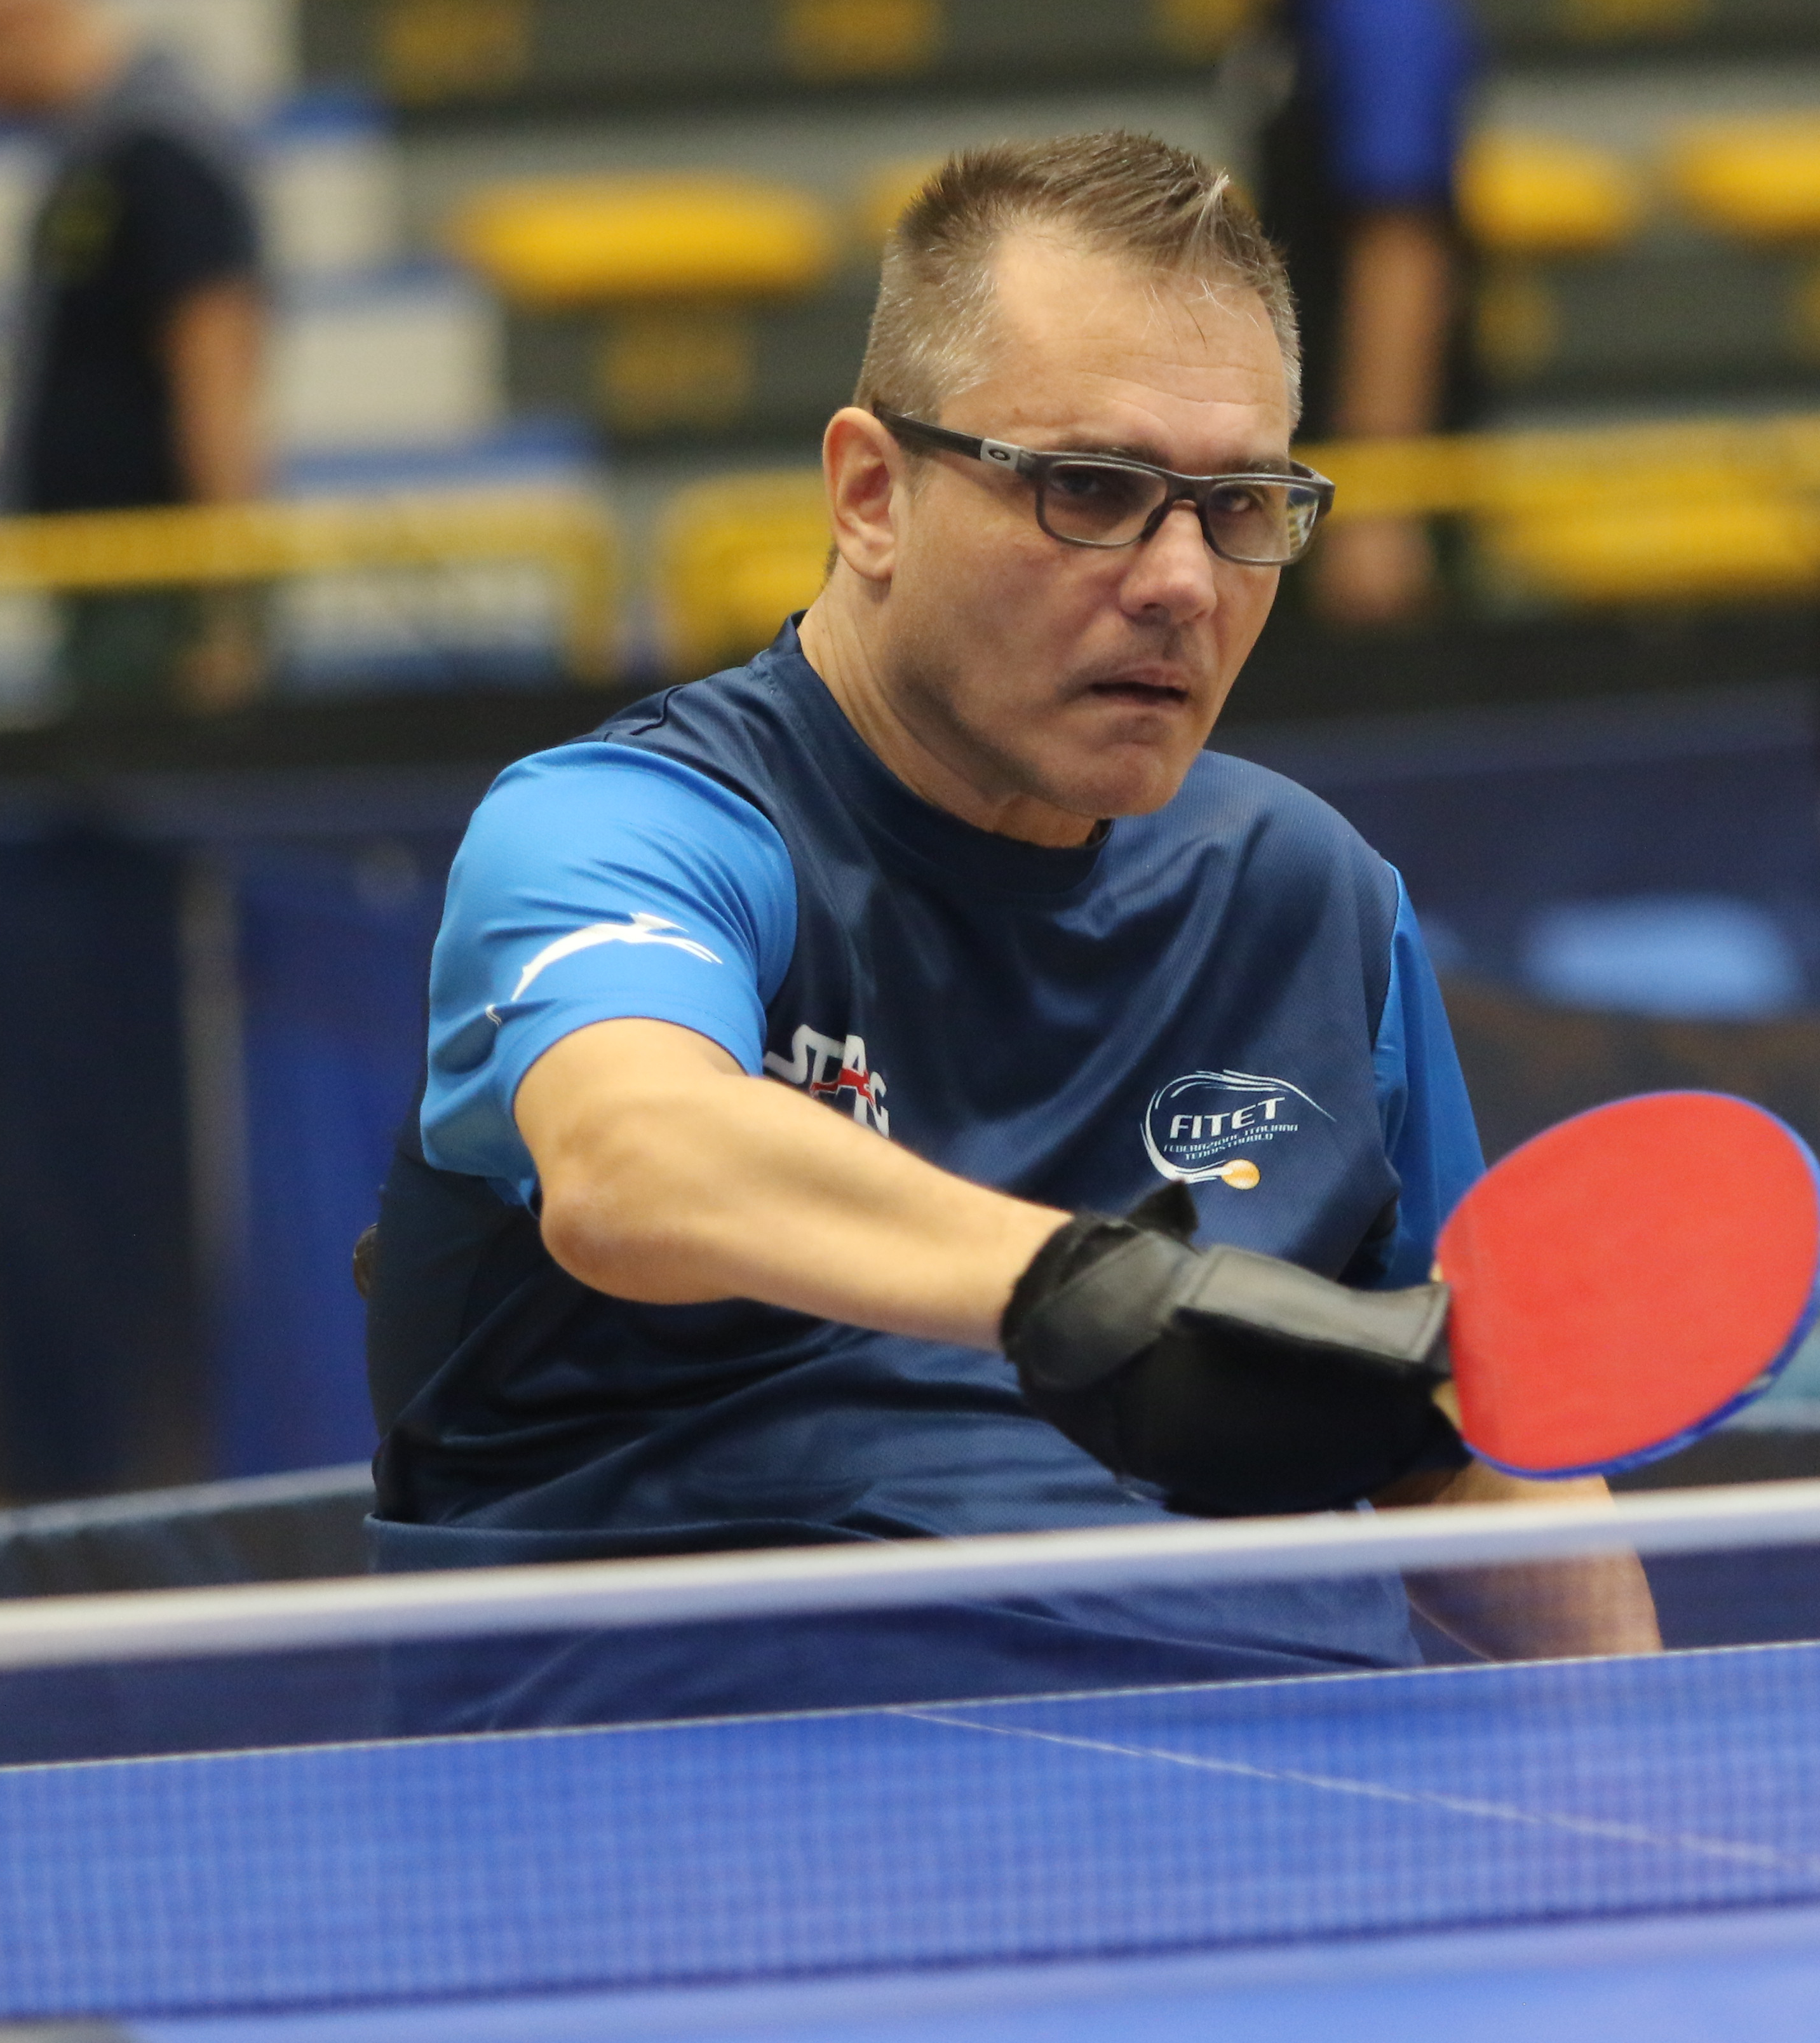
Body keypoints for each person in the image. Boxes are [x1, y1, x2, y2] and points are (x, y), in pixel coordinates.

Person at [365, 132, 1657, 1729]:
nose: (1183, 580)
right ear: (870, 495)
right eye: (1094, 490)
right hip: (731, 1796)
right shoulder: (638, 828)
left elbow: (1460, 1442)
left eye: (1241, 503)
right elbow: (637, 1159)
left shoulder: (1309, 892)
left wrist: (1641, 1778)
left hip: (1295, 1799)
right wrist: (1101, 1295)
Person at [0, 0, 266, 713]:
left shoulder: (159, 152)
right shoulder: (98, 155)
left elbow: (215, 373)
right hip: (115, 571)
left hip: (156, 578)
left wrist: (227, 601)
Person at [1242, 0, 1482, 627]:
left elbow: (1401, 250)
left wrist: (1378, 508)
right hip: (1303, 463)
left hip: (1355, 486)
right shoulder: (1292, 21)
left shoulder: (1383, 19)